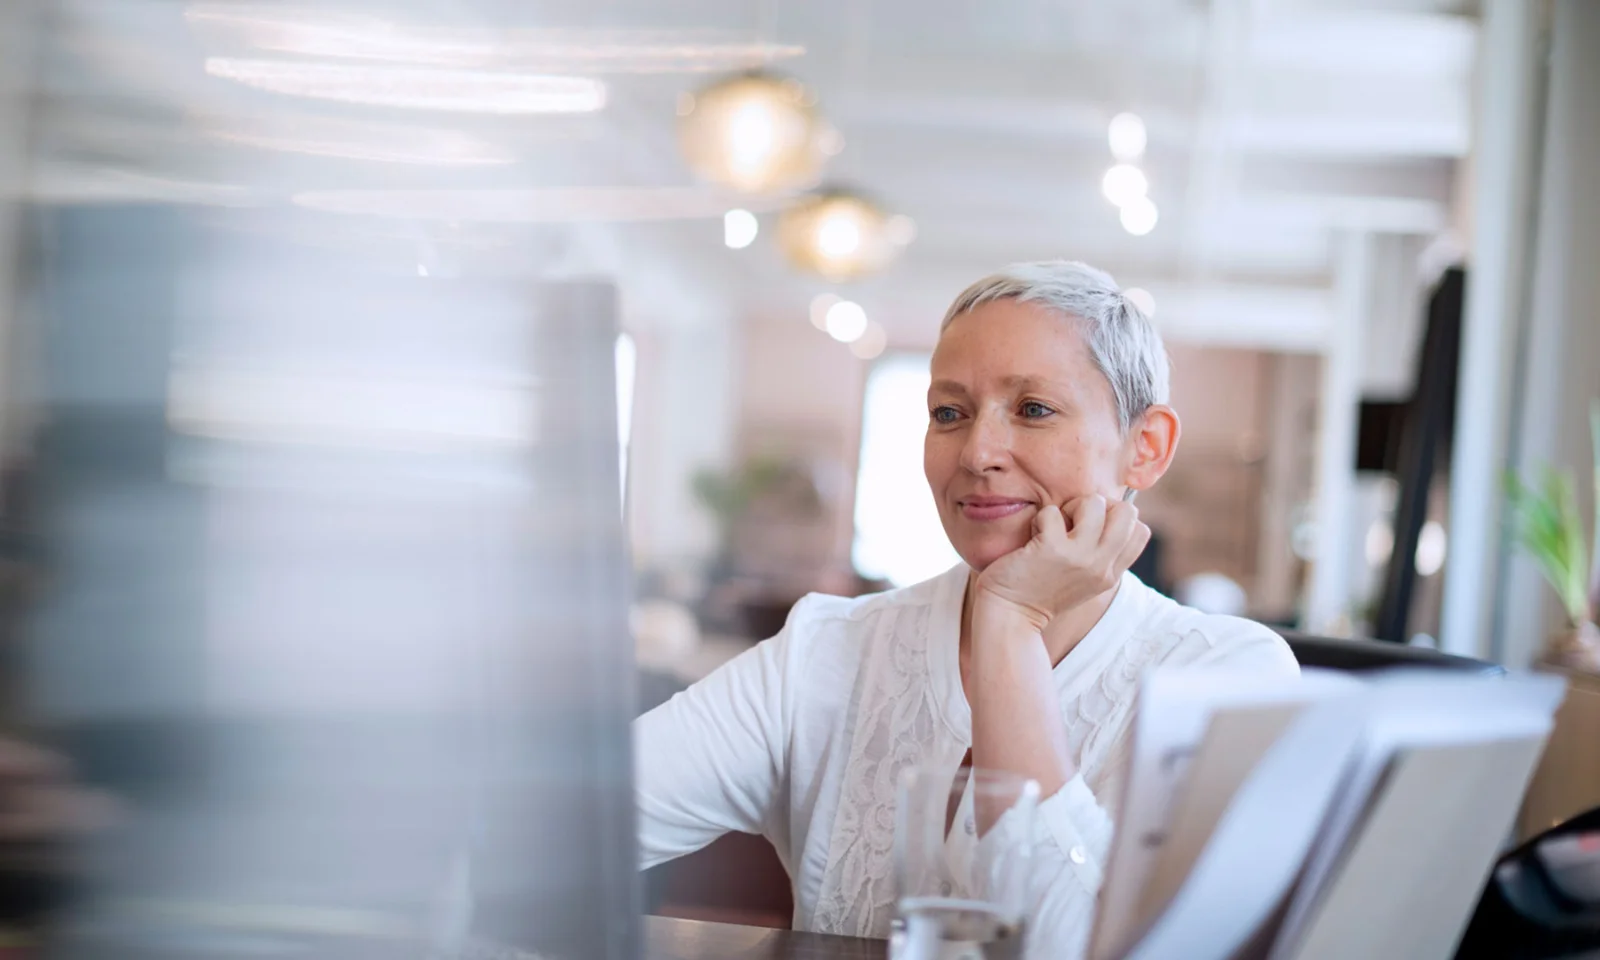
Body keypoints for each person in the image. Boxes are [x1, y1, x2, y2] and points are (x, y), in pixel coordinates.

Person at [634, 260, 1298, 957]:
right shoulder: (828, 649)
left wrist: (1009, 625)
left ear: (1146, 448)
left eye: (1033, 409)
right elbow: (568, 825)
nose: (978, 453)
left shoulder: (1231, 679)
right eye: (949, 412)